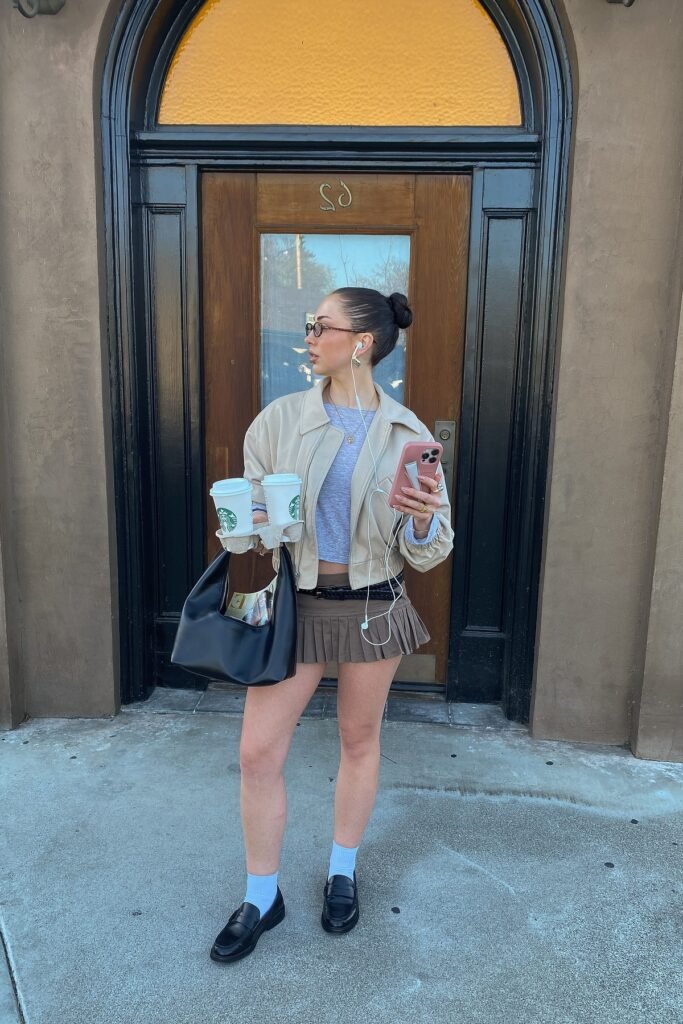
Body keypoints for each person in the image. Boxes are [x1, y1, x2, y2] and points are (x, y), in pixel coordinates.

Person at [209, 287, 454, 963]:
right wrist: (250, 525)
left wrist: (424, 515)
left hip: (374, 605)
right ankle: (262, 895)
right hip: (297, 601)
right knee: (258, 752)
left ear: (363, 342)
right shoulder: (280, 421)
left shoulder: (409, 436)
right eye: (310, 326)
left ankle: (341, 871)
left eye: (321, 326)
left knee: (357, 739)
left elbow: (430, 550)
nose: (309, 336)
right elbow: (252, 534)